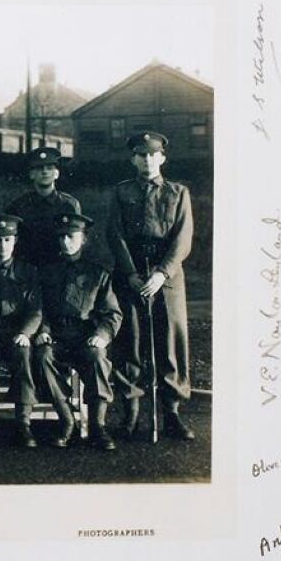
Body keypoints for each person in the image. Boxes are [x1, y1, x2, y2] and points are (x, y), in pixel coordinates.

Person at [106, 131, 196, 441]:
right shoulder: (121, 192)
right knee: (129, 339)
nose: (146, 160)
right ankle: (129, 412)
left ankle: (171, 413)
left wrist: (161, 273)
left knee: (170, 339)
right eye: (140, 155)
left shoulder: (177, 192)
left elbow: (183, 239)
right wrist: (130, 273)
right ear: (132, 159)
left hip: (167, 277)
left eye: (152, 154)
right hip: (130, 272)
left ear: (162, 158)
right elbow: (114, 235)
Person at [34, 213, 122, 450]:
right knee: (42, 356)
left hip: (85, 337)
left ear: (84, 239)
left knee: (96, 357)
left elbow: (112, 314)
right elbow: (38, 308)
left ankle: (97, 426)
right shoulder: (45, 272)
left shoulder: (98, 274)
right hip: (56, 336)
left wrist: (102, 336)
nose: (65, 242)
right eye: (61, 237)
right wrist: (43, 330)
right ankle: (66, 419)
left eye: (71, 236)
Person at [0, 215, 43, 448]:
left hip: (16, 331)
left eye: (8, 240)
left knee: (24, 354)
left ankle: (23, 423)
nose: (2, 245)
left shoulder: (29, 271)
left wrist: (25, 333)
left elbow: (36, 310)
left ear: (15, 241)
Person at [7, 147, 81, 268]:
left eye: (49, 168)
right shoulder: (18, 206)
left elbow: (76, 241)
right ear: (31, 174)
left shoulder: (69, 205)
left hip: (60, 269)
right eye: (39, 168)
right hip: (28, 270)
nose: (44, 172)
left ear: (57, 174)